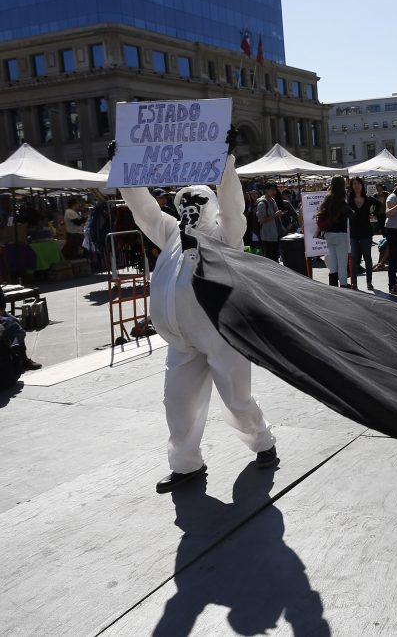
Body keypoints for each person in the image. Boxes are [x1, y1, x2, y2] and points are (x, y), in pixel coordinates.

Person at [114, 134, 279, 494]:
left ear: (209, 206)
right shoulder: (171, 234)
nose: (190, 208)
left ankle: (263, 443)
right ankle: (186, 464)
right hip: (181, 340)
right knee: (178, 402)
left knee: (236, 400)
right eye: (184, 203)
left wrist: (226, 164)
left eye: (198, 202)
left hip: (221, 335)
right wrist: (124, 169)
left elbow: (233, 209)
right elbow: (145, 212)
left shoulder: (225, 236)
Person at [316, 176, 352, 288]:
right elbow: (351, 214)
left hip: (328, 235)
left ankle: (333, 287)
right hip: (340, 235)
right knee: (342, 265)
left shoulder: (327, 199)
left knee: (333, 265)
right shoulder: (341, 201)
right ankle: (343, 287)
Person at [347, 177, 380, 291]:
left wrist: (373, 213)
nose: (356, 186)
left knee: (367, 258)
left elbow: (379, 204)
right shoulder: (349, 200)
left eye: (358, 183)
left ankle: (369, 282)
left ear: (362, 185)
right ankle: (354, 283)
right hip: (353, 233)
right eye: (354, 184)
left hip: (366, 232)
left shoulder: (368, 199)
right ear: (351, 186)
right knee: (354, 259)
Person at [256, 182, 284, 262]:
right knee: (270, 260)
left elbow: (275, 215)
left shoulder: (272, 200)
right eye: (272, 190)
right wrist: (275, 215)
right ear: (266, 190)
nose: (274, 192)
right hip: (268, 236)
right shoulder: (262, 203)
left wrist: (279, 214)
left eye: (275, 190)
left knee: (276, 259)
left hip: (276, 234)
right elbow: (261, 220)